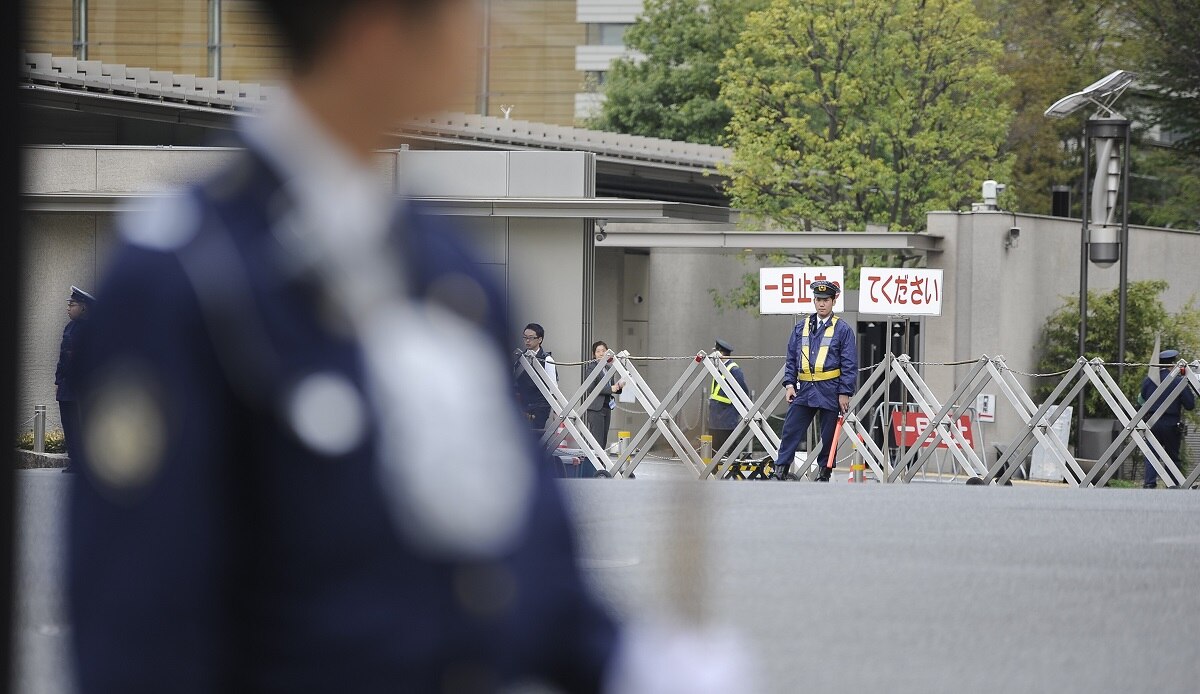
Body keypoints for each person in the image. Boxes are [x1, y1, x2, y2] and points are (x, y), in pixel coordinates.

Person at [66, 1, 751, 691]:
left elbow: (519, 550)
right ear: (376, 27)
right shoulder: (185, 276)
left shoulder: (445, 264)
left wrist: (625, 661)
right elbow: (136, 623)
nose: (491, 37)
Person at [771, 280, 858, 482]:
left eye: (826, 300)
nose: (821, 304)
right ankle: (781, 469)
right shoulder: (801, 327)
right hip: (804, 389)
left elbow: (849, 363)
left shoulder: (842, 330)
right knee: (791, 428)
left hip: (830, 389)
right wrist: (789, 384)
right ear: (814, 300)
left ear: (833, 301)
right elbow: (791, 358)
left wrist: (844, 392)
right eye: (818, 300)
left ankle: (824, 472)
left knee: (828, 436)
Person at [1141, 348, 1195, 488]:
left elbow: (1141, 401)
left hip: (1152, 422)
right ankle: (1171, 484)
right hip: (1171, 423)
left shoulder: (1148, 380)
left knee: (1151, 455)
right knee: (1172, 457)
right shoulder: (1178, 381)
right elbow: (1190, 404)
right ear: (1173, 365)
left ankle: (1149, 484)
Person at [55, 285, 95, 473]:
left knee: (81, 423)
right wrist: (58, 381)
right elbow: (63, 357)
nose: (68, 307)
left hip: (81, 386)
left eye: (72, 304)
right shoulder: (69, 327)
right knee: (69, 423)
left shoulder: (90, 329)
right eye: (69, 304)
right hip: (66, 386)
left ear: (84, 307)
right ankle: (75, 459)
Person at [707, 338, 750, 459]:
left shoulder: (733, 369)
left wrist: (741, 412)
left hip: (727, 418)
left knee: (730, 452)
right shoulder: (719, 368)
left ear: (720, 353)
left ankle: (732, 475)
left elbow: (743, 392)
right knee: (714, 453)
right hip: (716, 417)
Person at [515, 322, 556, 434]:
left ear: (540, 339)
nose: (527, 341)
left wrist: (555, 409)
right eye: (525, 338)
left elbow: (553, 386)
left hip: (540, 406)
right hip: (522, 405)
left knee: (535, 436)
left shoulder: (547, 359)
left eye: (531, 338)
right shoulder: (520, 357)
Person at [584, 340, 622, 449]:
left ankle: (601, 464)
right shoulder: (592, 367)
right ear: (594, 354)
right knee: (597, 440)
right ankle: (594, 465)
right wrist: (611, 388)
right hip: (596, 408)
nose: (601, 353)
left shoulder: (609, 368)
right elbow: (591, 388)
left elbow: (613, 387)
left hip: (607, 407)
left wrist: (620, 386)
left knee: (604, 439)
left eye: (604, 351)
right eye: (598, 351)